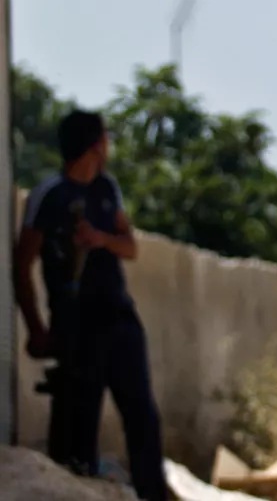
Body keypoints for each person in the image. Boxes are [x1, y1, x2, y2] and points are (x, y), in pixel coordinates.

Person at [13, 109, 168, 501]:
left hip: (118, 318)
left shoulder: (106, 190)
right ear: (96, 145)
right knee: (76, 433)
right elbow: (21, 266)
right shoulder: (49, 195)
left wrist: (99, 239)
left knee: (143, 420)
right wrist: (36, 328)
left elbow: (129, 246)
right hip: (75, 326)